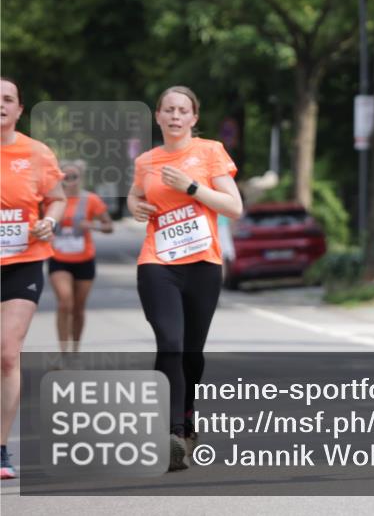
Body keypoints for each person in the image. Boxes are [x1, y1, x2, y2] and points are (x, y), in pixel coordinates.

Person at [126, 86, 242, 472]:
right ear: (157, 116)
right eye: (168, 110)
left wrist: (192, 187)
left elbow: (234, 207)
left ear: (194, 118)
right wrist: (136, 205)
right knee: (170, 342)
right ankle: (172, 433)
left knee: (191, 353)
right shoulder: (146, 161)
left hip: (202, 265)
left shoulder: (210, 152)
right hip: (158, 262)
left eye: (183, 110)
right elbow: (135, 195)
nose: (175, 116)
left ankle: (187, 414)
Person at [1, 77, 67, 480]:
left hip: (23, 262)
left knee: (7, 353)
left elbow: (57, 198)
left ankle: (0, 448)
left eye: (7, 100)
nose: (0, 105)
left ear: (20, 109)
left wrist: (49, 221)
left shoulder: (37, 153)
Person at [49, 160, 113, 354]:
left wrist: (92, 225)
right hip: (59, 258)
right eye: (65, 177)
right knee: (65, 302)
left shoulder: (91, 200)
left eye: (74, 177)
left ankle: (75, 349)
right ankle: (63, 351)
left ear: (80, 178)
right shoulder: (51, 200)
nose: (70, 181)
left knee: (78, 308)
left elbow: (109, 226)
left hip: (84, 260)